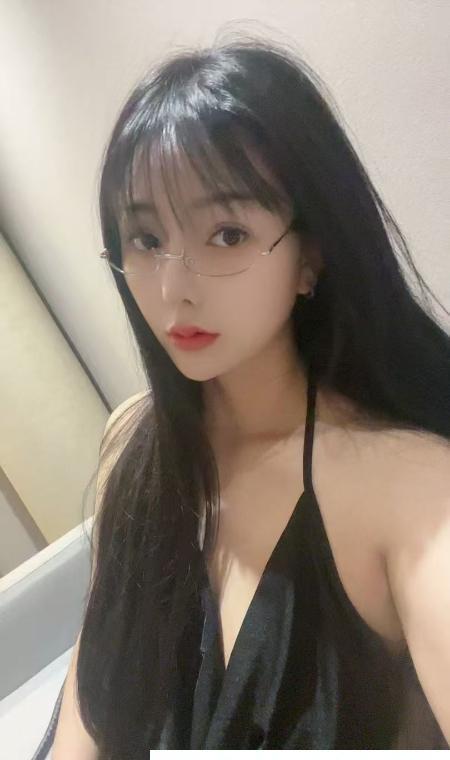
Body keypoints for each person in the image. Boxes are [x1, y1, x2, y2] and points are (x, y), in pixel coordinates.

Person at [52, 32, 450, 758]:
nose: (173, 288)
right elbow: (91, 711)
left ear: (311, 254)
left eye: (228, 234)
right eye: (144, 239)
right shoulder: (131, 443)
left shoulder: (412, 492)